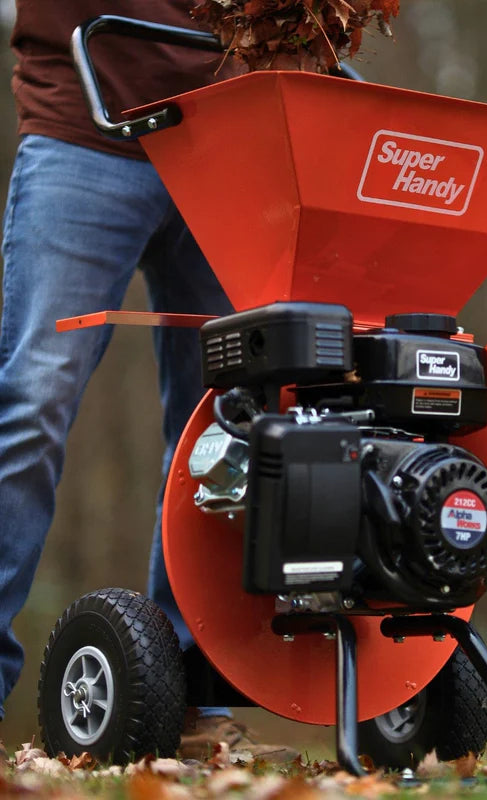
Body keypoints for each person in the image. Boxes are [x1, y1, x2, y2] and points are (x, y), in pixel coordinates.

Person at [0, 0, 296, 762]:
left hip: (230, 146)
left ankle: (187, 698)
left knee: (226, 427)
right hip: (86, 130)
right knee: (32, 401)